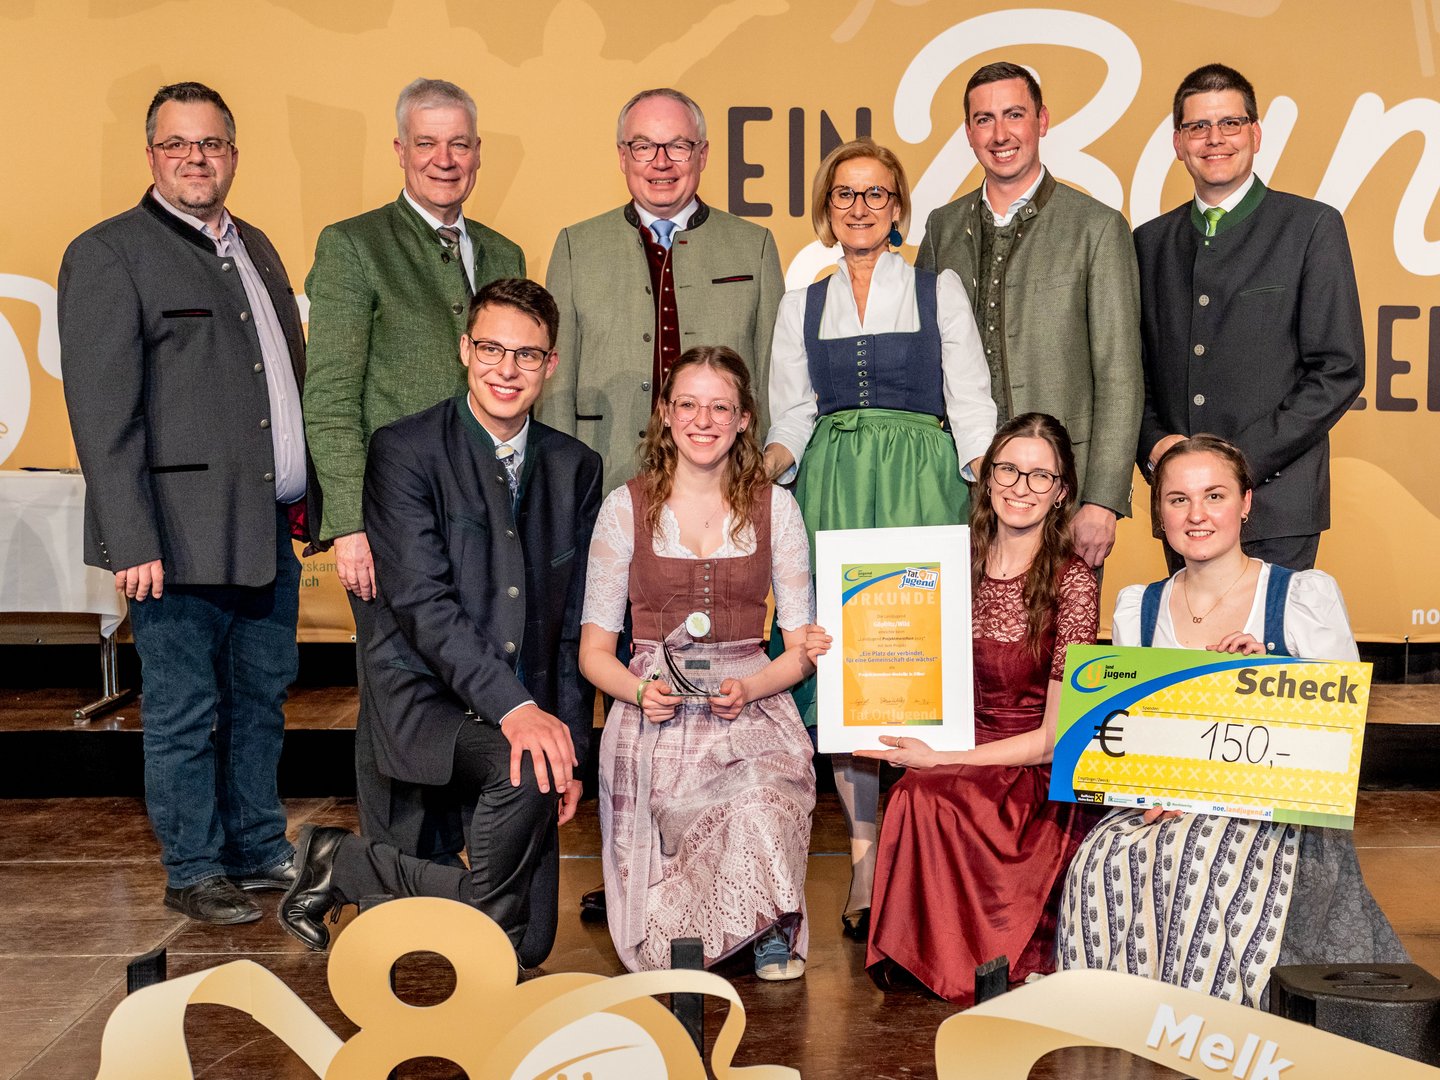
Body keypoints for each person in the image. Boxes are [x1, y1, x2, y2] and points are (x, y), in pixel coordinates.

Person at [280, 279, 601, 969]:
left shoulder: (576, 467)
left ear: (550, 364)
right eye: (490, 349)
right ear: (463, 349)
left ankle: (344, 862)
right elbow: (425, 607)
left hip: (521, 702)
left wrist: (570, 746)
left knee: (528, 941)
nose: (506, 369)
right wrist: (518, 712)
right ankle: (356, 864)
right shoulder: (404, 449)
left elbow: (571, 626)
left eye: (526, 354)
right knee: (524, 770)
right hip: (425, 697)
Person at [57, 82, 310, 923]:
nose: (195, 159)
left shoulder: (255, 245)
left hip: (262, 528)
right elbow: (102, 416)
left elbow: (281, 383)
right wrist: (130, 539)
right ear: (151, 155)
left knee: (260, 699)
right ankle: (195, 866)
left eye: (210, 144)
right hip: (172, 538)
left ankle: (256, 845)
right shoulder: (109, 253)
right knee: (183, 711)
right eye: (177, 144)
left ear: (233, 154)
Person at [1057, 434, 1405, 1006]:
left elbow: (1339, 737)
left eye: (1214, 495)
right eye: (1178, 499)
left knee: (1199, 856)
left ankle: (1205, 1023)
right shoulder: (1137, 608)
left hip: (1271, 814)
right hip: (1165, 802)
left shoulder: (1301, 597)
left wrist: (1273, 674)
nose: (1196, 514)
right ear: (1159, 514)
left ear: (1246, 503)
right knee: (1101, 859)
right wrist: (1148, 793)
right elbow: (1128, 738)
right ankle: (1113, 1013)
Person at [764, 137, 996, 940]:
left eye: (875, 194)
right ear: (827, 209)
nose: (859, 207)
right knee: (843, 674)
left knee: (916, 666)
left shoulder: (938, 289)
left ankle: (915, 850)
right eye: (844, 194)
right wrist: (761, 470)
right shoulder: (802, 303)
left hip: (921, 487)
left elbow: (971, 402)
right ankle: (865, 863)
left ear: (898, 208)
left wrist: (993, 484)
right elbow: (793, 415)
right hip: (833, 488)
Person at [303, 77, 526, 861]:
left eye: (459, 143)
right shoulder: (354, 245)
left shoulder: (502, 252)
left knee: (471, 688)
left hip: (485, 521)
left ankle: (459, 873)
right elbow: (330, 398)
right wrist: (348, 524)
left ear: (478, 153)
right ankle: (392, 873)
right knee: (399, 702)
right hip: (390, 523)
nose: (444, 158)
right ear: (400, 150)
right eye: (427, 143)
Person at [579, 346, 820, 980]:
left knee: (763, 787)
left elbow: (801, 650)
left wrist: (751, 686)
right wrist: (638, 692)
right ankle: (689, 937)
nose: (703, 420)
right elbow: (593, 654)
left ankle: (765, 926)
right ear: (665, 413)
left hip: (750, 701)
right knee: (672, 794)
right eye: (688, 404)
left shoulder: (777, 508)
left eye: (720, 407)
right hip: (656, 709)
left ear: (744, 419)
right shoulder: (625, 508)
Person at [856, 413, 1100, 1002]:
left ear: (1061, 491)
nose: (1021, 487)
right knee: (915, 794)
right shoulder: (949, 562)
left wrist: (942, 759)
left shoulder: (1073, 583)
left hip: (1030, 770)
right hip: (957, 746)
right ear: (987, 477)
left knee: (930, 792)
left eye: (1040, 476)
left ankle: (974, 957)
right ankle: (928, 954)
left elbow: (1054, 739)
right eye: (1008, 470)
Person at [1135, 64, 1364, 573]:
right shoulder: (1149, 243)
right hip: (1184, 511)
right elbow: (1132, 374)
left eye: (1230, 123)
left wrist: (1234, 467)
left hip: (1277, 507)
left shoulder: (1311, 227)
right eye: (1198, 126)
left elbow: (1338, 369)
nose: (1214, 139)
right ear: (1178, 143)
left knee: (1268, 630)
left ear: (1255, 135)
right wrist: (1155, 448)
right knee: (1190, 629)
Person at [916, 61, 1143, 573]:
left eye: (1014, 115)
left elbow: (1120, 376)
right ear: (968, 131)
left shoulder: (1097, 228)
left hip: (1062, 494)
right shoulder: (941, 228)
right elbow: (925, 365)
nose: (1000, 134)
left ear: (1042, 121)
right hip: (958, 493)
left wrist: (1102, 500)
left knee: (1056, 625)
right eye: (984, 119)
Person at [540, 87, 784, 487]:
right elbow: (557, 380)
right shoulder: (575, 246)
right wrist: (558, 482)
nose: (661, 162)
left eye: (678, 146)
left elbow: (772, 377)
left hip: (725, 479)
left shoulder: (754, 246)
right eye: (643, 147)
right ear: (623, 156)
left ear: (702, 154)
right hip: (605, 469)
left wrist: (758, 477)